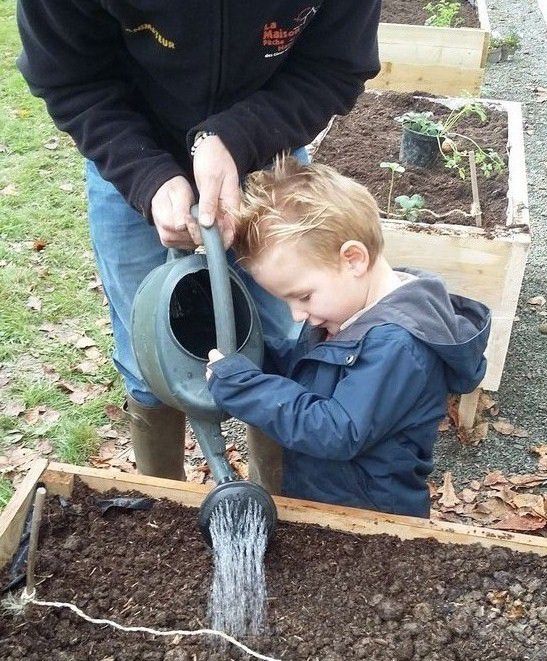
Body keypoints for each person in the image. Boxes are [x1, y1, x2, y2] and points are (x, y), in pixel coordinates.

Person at [15, 1, 382, 481]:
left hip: (267, 151)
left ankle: (277, 501)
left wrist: (235, 137)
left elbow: (336, 65)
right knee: (149, 356)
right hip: (131, 149)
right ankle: (163, 503)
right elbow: (69, 77)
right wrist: (145, 175)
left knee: (288, 342)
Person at [206, 157, 491, 517]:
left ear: (353, 259)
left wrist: (244, 387)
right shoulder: (344, 316)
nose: (297, 314)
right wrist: (253, 360)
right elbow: (308, 377)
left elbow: (339, 430)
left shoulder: (399, 346)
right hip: (329, 502)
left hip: (374, 516)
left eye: (303, 296)